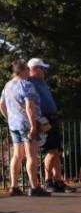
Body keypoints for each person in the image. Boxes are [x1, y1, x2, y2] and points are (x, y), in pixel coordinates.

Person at [0, 60, 50, 197]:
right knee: (31, 156)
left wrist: (9, 118)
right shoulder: (26, 85)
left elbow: (0, 104)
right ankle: (34, 187)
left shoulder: (8, 85)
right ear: (21, 71)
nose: (29, 71)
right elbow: (29, 107)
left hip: (14, 125)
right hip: (27, 125)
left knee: (17, 155)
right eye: (27, 69)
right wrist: (33, 125)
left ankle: (14, 186)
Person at [28, 57, 69, 193]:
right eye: (41, 68)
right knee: (51, 150)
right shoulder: (29, 82)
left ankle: (58, 181)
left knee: (57, 150)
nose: (44, 71)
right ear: (34, 69)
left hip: (51, 117)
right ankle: (48, 180)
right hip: (43, 118)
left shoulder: (42, 82)